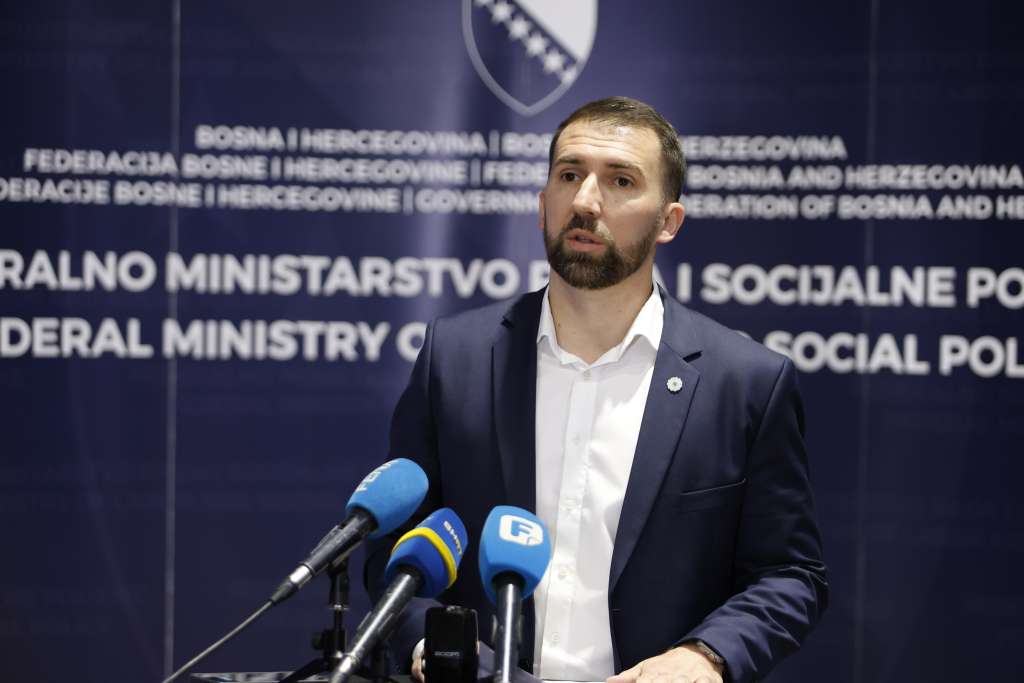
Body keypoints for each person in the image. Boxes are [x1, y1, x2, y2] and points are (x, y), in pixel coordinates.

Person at [367, 96, 828, 683]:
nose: (586, 201)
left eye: (620, 180)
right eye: (569, 175)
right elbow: (395, 550)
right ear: (543, 205)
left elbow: (790, 574)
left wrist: (704, 656)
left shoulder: (745, 383)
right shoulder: (454, 358)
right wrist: (430, 645)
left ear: (669, 222)